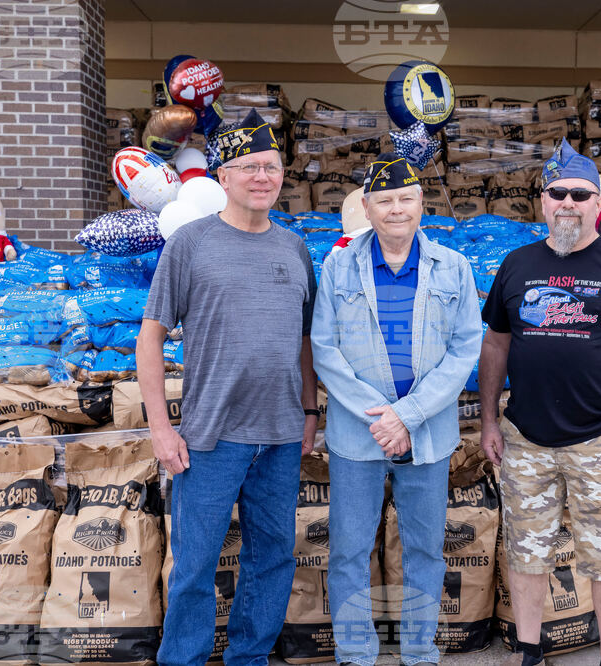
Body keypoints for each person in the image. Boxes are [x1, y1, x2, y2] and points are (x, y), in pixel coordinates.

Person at [478, 138, 601, 666]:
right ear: (542, 200)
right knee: (526, 552)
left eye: (580, 194)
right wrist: (489, 420)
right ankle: (530, 651)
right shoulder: (517, 265)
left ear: (596, 202)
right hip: (525, 438)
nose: (568, 202)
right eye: (557, 192)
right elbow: (495, 344)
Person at [138, 109, 318, 666]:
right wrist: (161, 429)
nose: (261, 177)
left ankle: (249, 658)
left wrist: (310, 412)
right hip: (211, 438)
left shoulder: (295, 248)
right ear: (222, 176)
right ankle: (182, 660)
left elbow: (305, 341)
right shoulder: (191, 245)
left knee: (271, 559)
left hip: (283, 436)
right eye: (248, 167)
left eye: (270, 166)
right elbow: (150, 340)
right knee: (194, 564)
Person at [311, 153, 481, 666]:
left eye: (405, 198)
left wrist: (407, 416)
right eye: (384, 200)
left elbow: (465, 349)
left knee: (426, 551)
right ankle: (355, 654)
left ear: (421, 203)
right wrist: (381, 416)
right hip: (357, 436)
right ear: (367, 207)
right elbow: (324, 348)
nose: (396, 209)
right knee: (348, 551)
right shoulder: (338, 265)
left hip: (426, 433)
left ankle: (419, 652)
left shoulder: (453, 267)